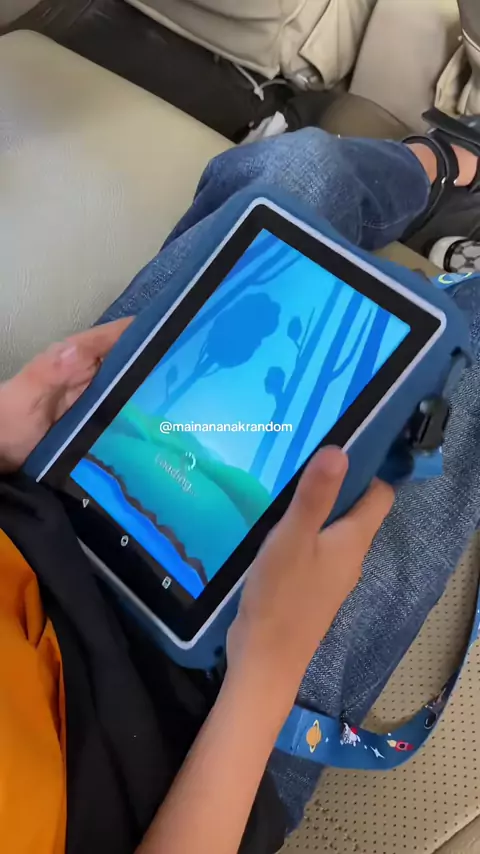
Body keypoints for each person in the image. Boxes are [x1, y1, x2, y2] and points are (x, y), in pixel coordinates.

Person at [1, 120, 480, 854]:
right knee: (460, 370)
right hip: (192, 739)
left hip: (48, 496)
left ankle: (442, 165)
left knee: (302, 167)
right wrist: (266, 674)